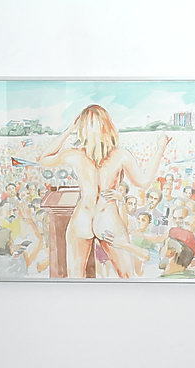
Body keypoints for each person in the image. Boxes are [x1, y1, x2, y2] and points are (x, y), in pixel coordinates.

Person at [37, 104, 170, 278]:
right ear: (108, 126)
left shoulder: (75, 155)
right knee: (127, 277)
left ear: (81, 129)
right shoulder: (121, 155)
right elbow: (144, 182)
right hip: (107, 217)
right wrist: (160, 149)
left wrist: (68, 130)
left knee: (75, 278)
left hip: (82, 217)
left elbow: (43, 159)